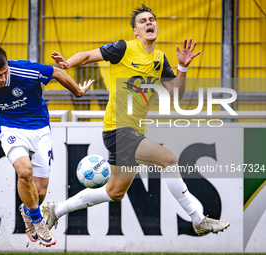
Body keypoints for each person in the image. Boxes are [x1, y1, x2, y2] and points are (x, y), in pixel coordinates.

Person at [43, 4, 230, 236]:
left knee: (114, 192)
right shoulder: (123, 48)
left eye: (152, 19)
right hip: (119, 130)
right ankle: (198, 219)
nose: (149, 23)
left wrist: (182, 67)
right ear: (135, 30)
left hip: (133, 131)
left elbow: (176, 94)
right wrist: (68, 64)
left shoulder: (160, 59)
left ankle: (56, 209)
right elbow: (89, 55)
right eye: (142, 21)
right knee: (169, 160)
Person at [0, 46, 94, 247]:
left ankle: (28, 210)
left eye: (5, 71)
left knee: (39, 193)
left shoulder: (25, 70)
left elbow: (57, 72)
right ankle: (38, 221)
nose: (2, 78)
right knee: (25, 172)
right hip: (10, 128)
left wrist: (78, 91)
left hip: (40, 127)